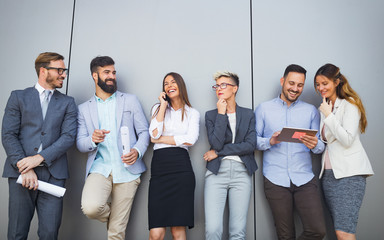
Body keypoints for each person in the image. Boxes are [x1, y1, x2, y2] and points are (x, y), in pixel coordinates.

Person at [1, 52, 77, 240]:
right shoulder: (18, 97)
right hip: (20, 173)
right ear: (43, 71)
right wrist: (24, 166)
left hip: (54, 175)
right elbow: (8, 134)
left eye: (64, 70)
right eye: (59, 70)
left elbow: (68, 136)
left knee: (49, 234)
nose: (63, 74)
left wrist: (38, 159)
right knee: (17, 233)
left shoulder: (68, 102)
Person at [76, 56, 150, 240]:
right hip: (100, 168)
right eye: (106, 72)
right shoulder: (84, 109)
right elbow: (80, 143)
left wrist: (137, 151)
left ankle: (117, 223)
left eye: (113, 73)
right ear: (95, 76)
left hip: (128, 171)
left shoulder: (130, 101)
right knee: (91, 208)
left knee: (116, 234)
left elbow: (144, 132)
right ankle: (117, 218)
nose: (111, 76)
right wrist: (92, 140)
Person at [255, 64, 326, 240]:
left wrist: (314, 144)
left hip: (305, 179)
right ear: (282, 81)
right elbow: (253, 141)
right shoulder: (264, 108)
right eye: (291, 83)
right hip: (275, 179)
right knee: (285, 235)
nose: (295, 89)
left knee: (317, 230)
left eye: (300, 85)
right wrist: (270, 141)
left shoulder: (310, 111)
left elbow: (320, 147)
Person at [314, 63, 374, 240]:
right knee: (339, 230)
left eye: (324, 83)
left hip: (349, 175)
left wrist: (328, 115)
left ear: (336, 82)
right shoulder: (325, 106)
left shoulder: (350, 104)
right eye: (317, 84)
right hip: (329, 175)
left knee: (344, 232)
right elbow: (326, 139)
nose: (320, 88)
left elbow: (347, 139)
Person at [203, 71, 257, 240]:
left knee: (238, 231)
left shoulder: (248, 114)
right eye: (217, 86)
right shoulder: (211, 115)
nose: (219, 88)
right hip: (216, 173)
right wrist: (221, 113)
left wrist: (218, 153)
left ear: (235, 88)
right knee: (212, 230)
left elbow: (250, 145)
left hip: (242, 173)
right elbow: (216, 142)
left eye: (223, 85)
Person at [148, 72, 200, 240]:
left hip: (181, 169)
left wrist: (161, 139)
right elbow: (153, 132)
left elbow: (190, 140)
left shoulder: (192, 113)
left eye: (172, 82)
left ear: (180, 85)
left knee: (178, 231)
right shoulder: (157, 109)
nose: (169, 85)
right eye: (165, 83)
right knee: (156, 233)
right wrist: (163, 105)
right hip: (160, 169)